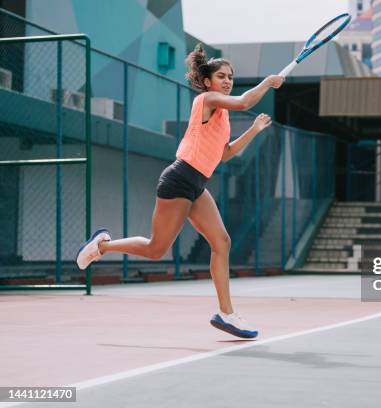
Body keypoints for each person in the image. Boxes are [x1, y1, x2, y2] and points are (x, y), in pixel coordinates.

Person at [76, 44, 284, 339]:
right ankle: (102, 246)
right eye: (222, 76)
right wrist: (267, 82)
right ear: (209, 81)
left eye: (231, 77)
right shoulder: (206, 100)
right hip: (179, 179)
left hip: (198, 184)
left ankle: (226, 314)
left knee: (221, 242)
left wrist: (253, 130)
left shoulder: (222, 118)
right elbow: (243, 101)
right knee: (155, 249)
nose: (227, 81)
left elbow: (224, 154)